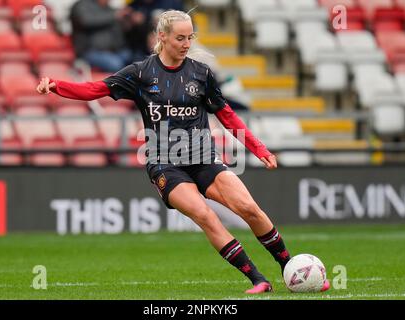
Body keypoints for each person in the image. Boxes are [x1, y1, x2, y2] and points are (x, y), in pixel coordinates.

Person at [36, 10, 330, 294]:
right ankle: (257, 278)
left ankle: (289, 267)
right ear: (162, 37)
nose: (187, 44)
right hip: (165, 165)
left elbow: (227, 115)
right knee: (205, 215)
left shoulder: (201, 73)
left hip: (204, 158)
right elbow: (93, 89)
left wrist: (258, 147)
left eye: (190, 37)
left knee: (250, 209)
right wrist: (56, 85)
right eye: (180, 38)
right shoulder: (140, 73)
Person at [70, 0, 144, 73]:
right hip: (89, 51)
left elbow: (121, 30)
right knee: (116, 64)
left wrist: (130, 21)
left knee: (137, 58)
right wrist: (114, 15)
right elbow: (85, 21)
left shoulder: (110, 9)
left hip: (114, 51)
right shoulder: (81, 5)